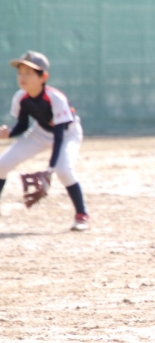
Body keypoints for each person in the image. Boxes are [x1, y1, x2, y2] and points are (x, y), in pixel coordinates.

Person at [0, 51, 89, 231]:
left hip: (68, 134)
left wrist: (50, 169)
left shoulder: (55, 98)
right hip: (39, 133)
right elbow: (23, 125)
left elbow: (59, 136)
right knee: (2, 164)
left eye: (29, 73)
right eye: (20, 72)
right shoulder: (21, 97)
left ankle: (82, 215)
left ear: (43, 77)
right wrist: (9, 133)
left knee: (63, 170)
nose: (23, 77)